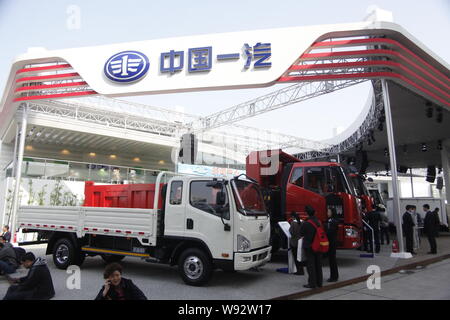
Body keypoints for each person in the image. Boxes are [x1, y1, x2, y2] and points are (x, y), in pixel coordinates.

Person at [299, 205, 323, 289]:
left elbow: (301, 233)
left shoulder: (306, 223)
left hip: (309, 246)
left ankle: (312, 283)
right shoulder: (319, 222)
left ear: (307, 213)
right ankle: (319, 282)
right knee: (318, 264)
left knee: (311, 265)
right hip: (318, 245)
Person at [325, 207, 339, 282]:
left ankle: (334, 276)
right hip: (331, 242)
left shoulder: (334, 222)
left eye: (329, 212)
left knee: (332, 260)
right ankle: (333, 275)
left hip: (332, 243)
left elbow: (330, 232)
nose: (327, 213)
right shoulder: (330, 221)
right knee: (331, 260)